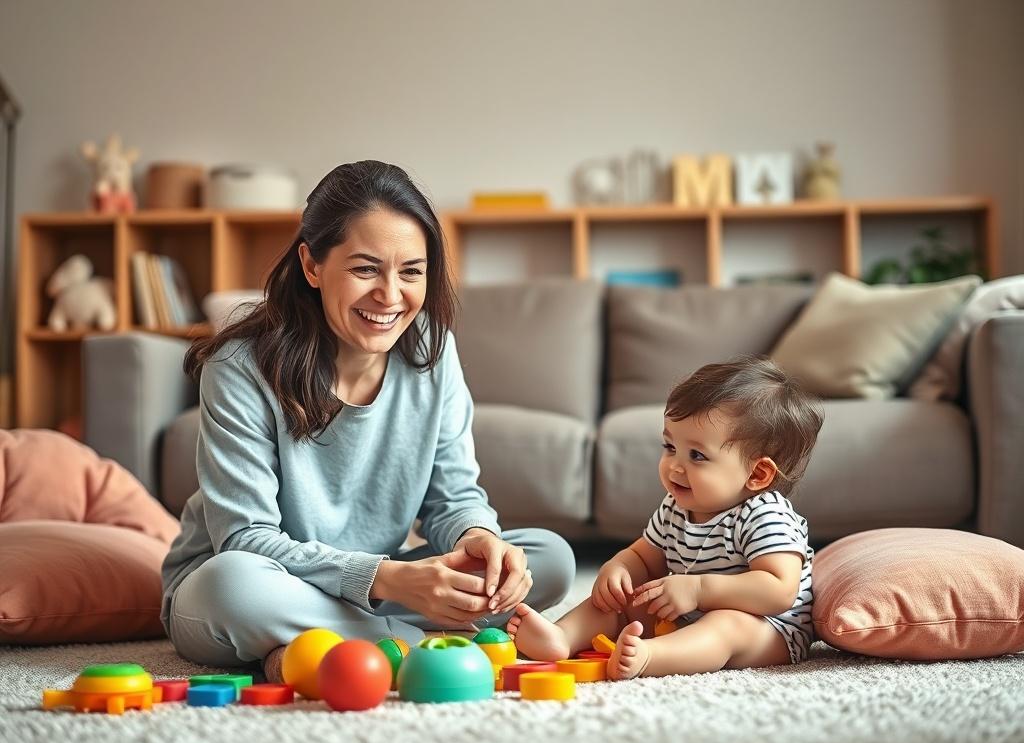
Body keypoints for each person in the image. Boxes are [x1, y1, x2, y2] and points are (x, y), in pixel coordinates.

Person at [161, 160, 575, 680]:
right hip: (257, 584)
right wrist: (391, 580)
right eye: (364, 269)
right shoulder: (239, 367)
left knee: (548, 558)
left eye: (411, 271)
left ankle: (318, 643)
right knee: (233, 587)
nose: (390, 295)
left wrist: (480, 540)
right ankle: (409, 642)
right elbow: (245, 539)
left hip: (375, 586)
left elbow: (454, 498)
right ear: (312, 265)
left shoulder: (433, 350)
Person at [508, 355, 823, 680]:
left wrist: (699, 589)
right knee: (623, 599)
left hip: (767, 629)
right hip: (688, 614)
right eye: (670, 446)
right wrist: (618, 569)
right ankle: (561, 637)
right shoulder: (676, 506)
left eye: (697, 456)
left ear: (757, 474)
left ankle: (652, 657)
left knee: (727, 625)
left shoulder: (765, 514)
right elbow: (645, 558)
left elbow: (778, 590)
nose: (674, 465)